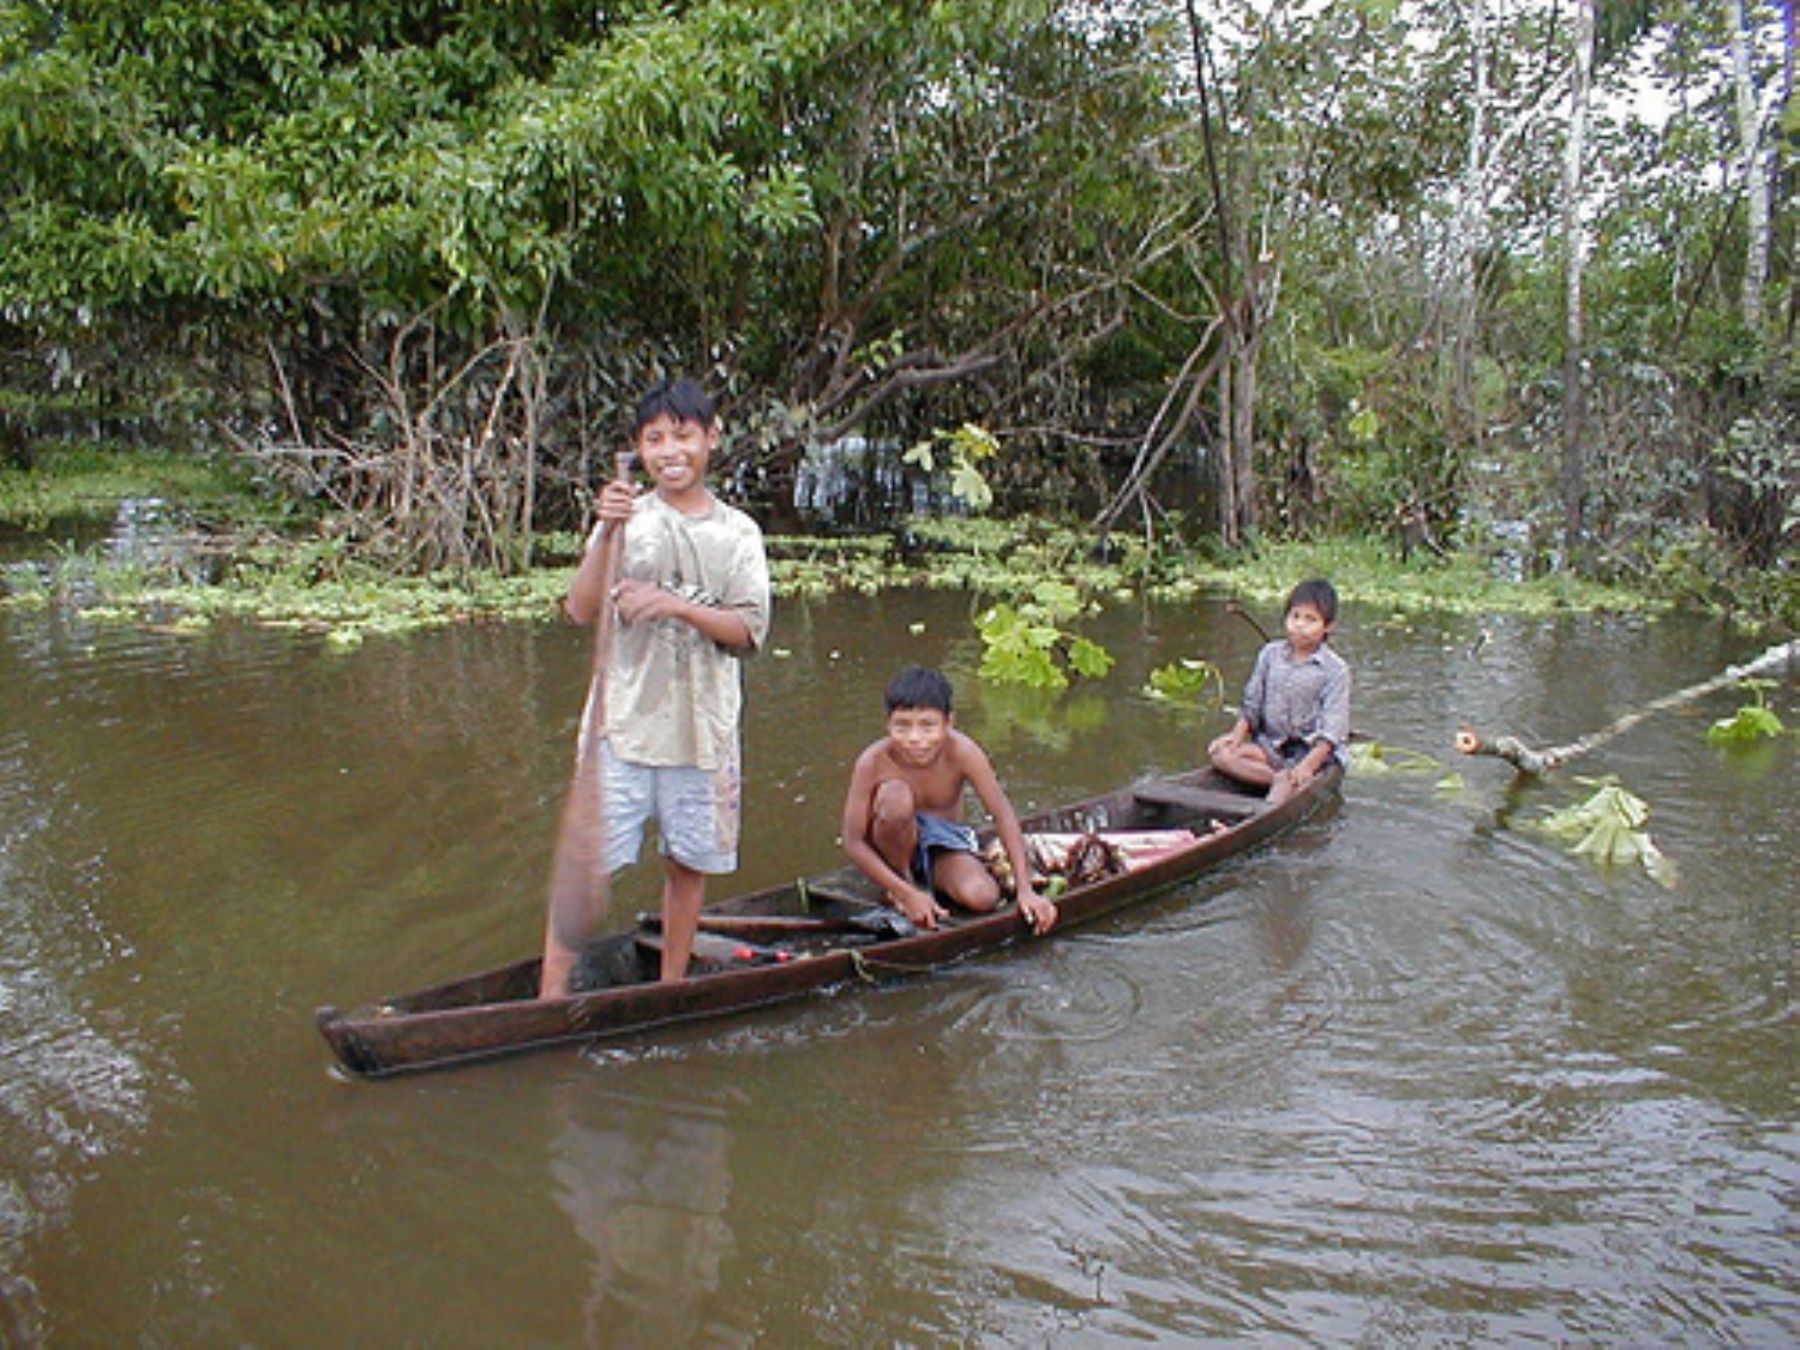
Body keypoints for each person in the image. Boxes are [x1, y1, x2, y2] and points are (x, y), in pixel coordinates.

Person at [541, 377, 771, 996]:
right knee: (588, 866)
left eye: (683, 436)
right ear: (640, 449)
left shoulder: (738, 533)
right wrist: (606, 532)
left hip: (703, 731)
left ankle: (671, 986)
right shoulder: (627, 519)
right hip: (620, 727)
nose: (671, 451)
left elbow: (747, 633)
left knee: (687, 864)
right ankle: (549, 997)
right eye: (655, 439)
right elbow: (582, 610)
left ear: (710, 439)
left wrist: (673, 605)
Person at [841, 666, 1057, 934]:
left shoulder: (964, 752)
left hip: (940, 843)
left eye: (928, 726)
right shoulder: (872, 762)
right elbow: (853, 840)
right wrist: (906, 892)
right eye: (902, 727)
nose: (915, 739)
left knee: (982, 897)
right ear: (888, 725)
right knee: (896, 796)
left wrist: (1025, 889)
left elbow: (1003, 814)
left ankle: (924, 884)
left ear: (949, 723)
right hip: (891, 847)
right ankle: (902, 884)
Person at [1208, 578, 1351, 805]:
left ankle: (1281, 789)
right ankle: (1278, 779)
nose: (1300, 625)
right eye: (1295, 616)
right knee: (1220, 755)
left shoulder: (1335, 669)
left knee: (1280, 798)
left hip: (1309, 753)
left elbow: (1333, 730)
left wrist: (1307, 767)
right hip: (1271, 747)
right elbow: (1252, 704)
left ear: (1328, 626)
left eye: (1310, 619)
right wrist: (1236, 736)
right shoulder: (1270, 654)